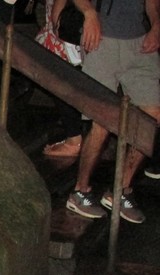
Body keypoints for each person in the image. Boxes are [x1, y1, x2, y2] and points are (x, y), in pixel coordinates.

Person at [66, 0, 160, 224]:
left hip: (139, 43)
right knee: (103, 120)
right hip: (102, 39)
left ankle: (120, 189)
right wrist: (89, 13)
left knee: (153, 116)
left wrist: (156, 26)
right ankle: (80, 190)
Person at [38, 0, 84, 157]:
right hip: (67, 23)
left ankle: (74, 139)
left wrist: (57, 22)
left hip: (65, 25)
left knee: (60, 80)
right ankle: (76, 134)